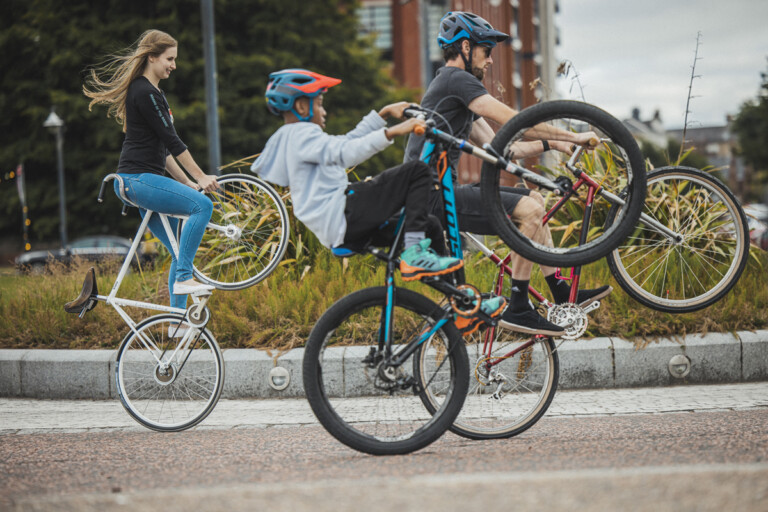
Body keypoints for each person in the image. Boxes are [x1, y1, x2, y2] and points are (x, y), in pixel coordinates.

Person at [404, 11, 612, 336]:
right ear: (464, 47)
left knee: (534, 200)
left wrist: (553, 146)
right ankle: (519, 307)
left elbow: (504, 149)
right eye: (486, 51)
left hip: (437, 195)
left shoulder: (455, 98)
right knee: (530, 210)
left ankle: (558, 289)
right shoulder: (456, 80)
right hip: (431, 200)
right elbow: (517, 122)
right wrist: (572, 135)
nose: (489, 61)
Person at [251, 68, 505, 322]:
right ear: (301, 106)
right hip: (344, 212)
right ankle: (415, 252)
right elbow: (346, 152)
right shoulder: (301, 136)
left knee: (431, 226)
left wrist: (382, 115)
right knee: (417, 171)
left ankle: (463, 304)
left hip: (342, 227)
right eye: (319, 104)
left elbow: (345, 142)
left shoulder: (295, 138)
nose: (324, 111)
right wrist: (396, 130)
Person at [83, 30, 220, 328]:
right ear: (152, 57)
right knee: (202, 207)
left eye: (174, 59)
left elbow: (165, 153)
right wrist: (201, 177)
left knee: (178, 250)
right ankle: (185, 279)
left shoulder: (153, 93)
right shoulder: (144, 91)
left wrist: (189, 183)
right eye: (170, 59)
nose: (173, 65)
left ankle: (177, 322)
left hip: (141, 181)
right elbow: (172, 140)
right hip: (138, 179)